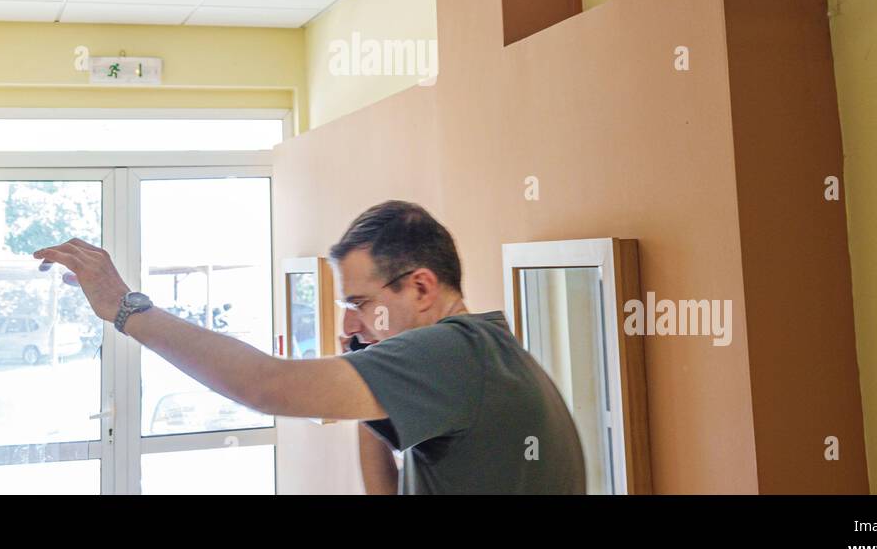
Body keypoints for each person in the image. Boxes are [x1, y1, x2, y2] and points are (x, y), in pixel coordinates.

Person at [35, 199, 586, 494]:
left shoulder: (453, 353)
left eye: (362, 300)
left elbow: (265, 385)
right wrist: (366, 366)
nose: (349, 317)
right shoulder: (486, 351)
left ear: (420, 287)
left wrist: (126, 309)